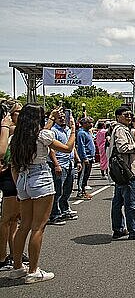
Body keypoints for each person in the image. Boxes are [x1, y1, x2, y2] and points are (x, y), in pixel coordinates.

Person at [9, 104, 75, 283]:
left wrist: (19, 187)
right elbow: (67, 148)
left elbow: (14, 167)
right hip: (40, 177)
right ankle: (33, 270)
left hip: (22, 178)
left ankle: (17, 267)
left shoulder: (16, 137)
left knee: (23, 227)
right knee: (38, 227)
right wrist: (73, 131)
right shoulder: (42, 135)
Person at [108, 106, 135, 240]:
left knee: (117, 202)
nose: (129, 116)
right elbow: (123, 148)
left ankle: (119, 229)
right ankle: (134, 230)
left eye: (130, 114)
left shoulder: (117, 128)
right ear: (118, 117)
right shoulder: (120, 129)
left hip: (120, 171)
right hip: (127, 171)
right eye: (125, 114)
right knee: (131, 202)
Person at [0, 102, 28, 271]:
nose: (20, 115)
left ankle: (13, 253)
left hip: (14, 176)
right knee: (6, 220)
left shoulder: (14, 132)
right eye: (17, 112)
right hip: (7, 178)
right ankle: (2, 257)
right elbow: (2, 153)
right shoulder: (7, 130)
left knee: (14, 220)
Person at [47, 111, 79, 225]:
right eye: (59, 117)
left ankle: (64, 209)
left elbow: (72, 146)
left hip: (69, 163)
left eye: (63, 117)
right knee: (57, 190)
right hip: (59, 163)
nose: (62, 119)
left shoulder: (68, 130)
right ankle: (54, 214)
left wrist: (77, 160)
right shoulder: (53, 131)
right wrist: (56, 165)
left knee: (67, 189)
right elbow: (51, 149)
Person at [76, 116, 95, 199]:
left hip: (90, 157)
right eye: (89, 123)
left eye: (91, 122)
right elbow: (81, 146)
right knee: (82, 175)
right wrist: (84, 157)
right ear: (84, 124)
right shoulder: (81, 133)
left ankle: (83, 191)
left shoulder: (88, 132)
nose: (91, 124)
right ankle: (80, 192)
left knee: (86, 175)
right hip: (85, 158)